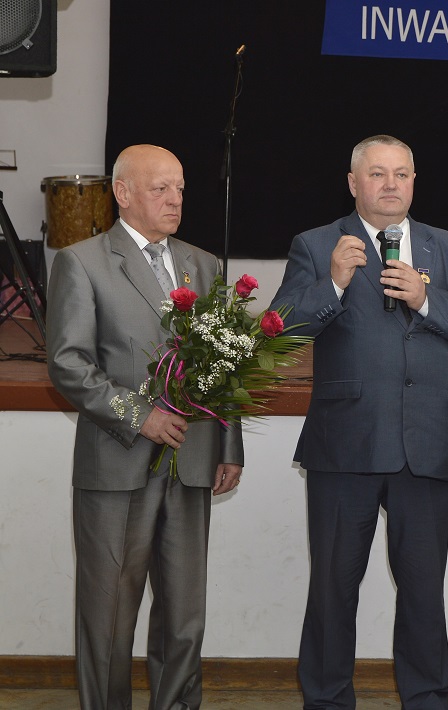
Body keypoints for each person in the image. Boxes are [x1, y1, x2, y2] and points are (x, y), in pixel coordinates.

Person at [270, 135, 448, 710]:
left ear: (414, 182)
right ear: (354, 183)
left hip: (426, 442)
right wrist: (333, 283)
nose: (390, 184)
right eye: (377, 173)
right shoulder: (317, 244)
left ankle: (427, 698)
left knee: (423, 589)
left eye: (401, 174)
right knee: (332, 588)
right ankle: (326, 700)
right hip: (345, 441)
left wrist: (426, 298)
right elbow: (281, 329)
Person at [46, 144, 244, 710]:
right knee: (109, 616)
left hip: (193, 461)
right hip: (117, 464)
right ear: (123, 193)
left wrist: (229, 444)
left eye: (180, 188)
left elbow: (225, 361)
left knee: (184, 615)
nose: (175, 199)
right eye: (160, 189)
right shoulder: (82, 262)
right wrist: (140, 415)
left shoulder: (204, 265)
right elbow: (68, 364)